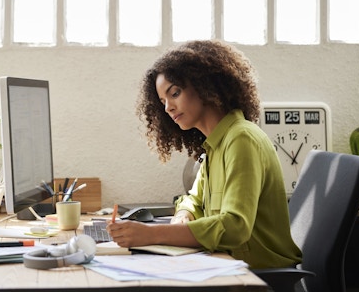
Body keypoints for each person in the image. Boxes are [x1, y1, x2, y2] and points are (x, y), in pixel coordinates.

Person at [106, 40, 302, 269]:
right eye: (163, 101)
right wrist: (183, 216)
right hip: (226, 267)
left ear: (204, 86)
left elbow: (235, 226)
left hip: (259, 276)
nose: (168, 107)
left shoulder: (242, 140)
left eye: (175, 93)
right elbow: (193, 200)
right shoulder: (213, 148)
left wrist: (152, 233)